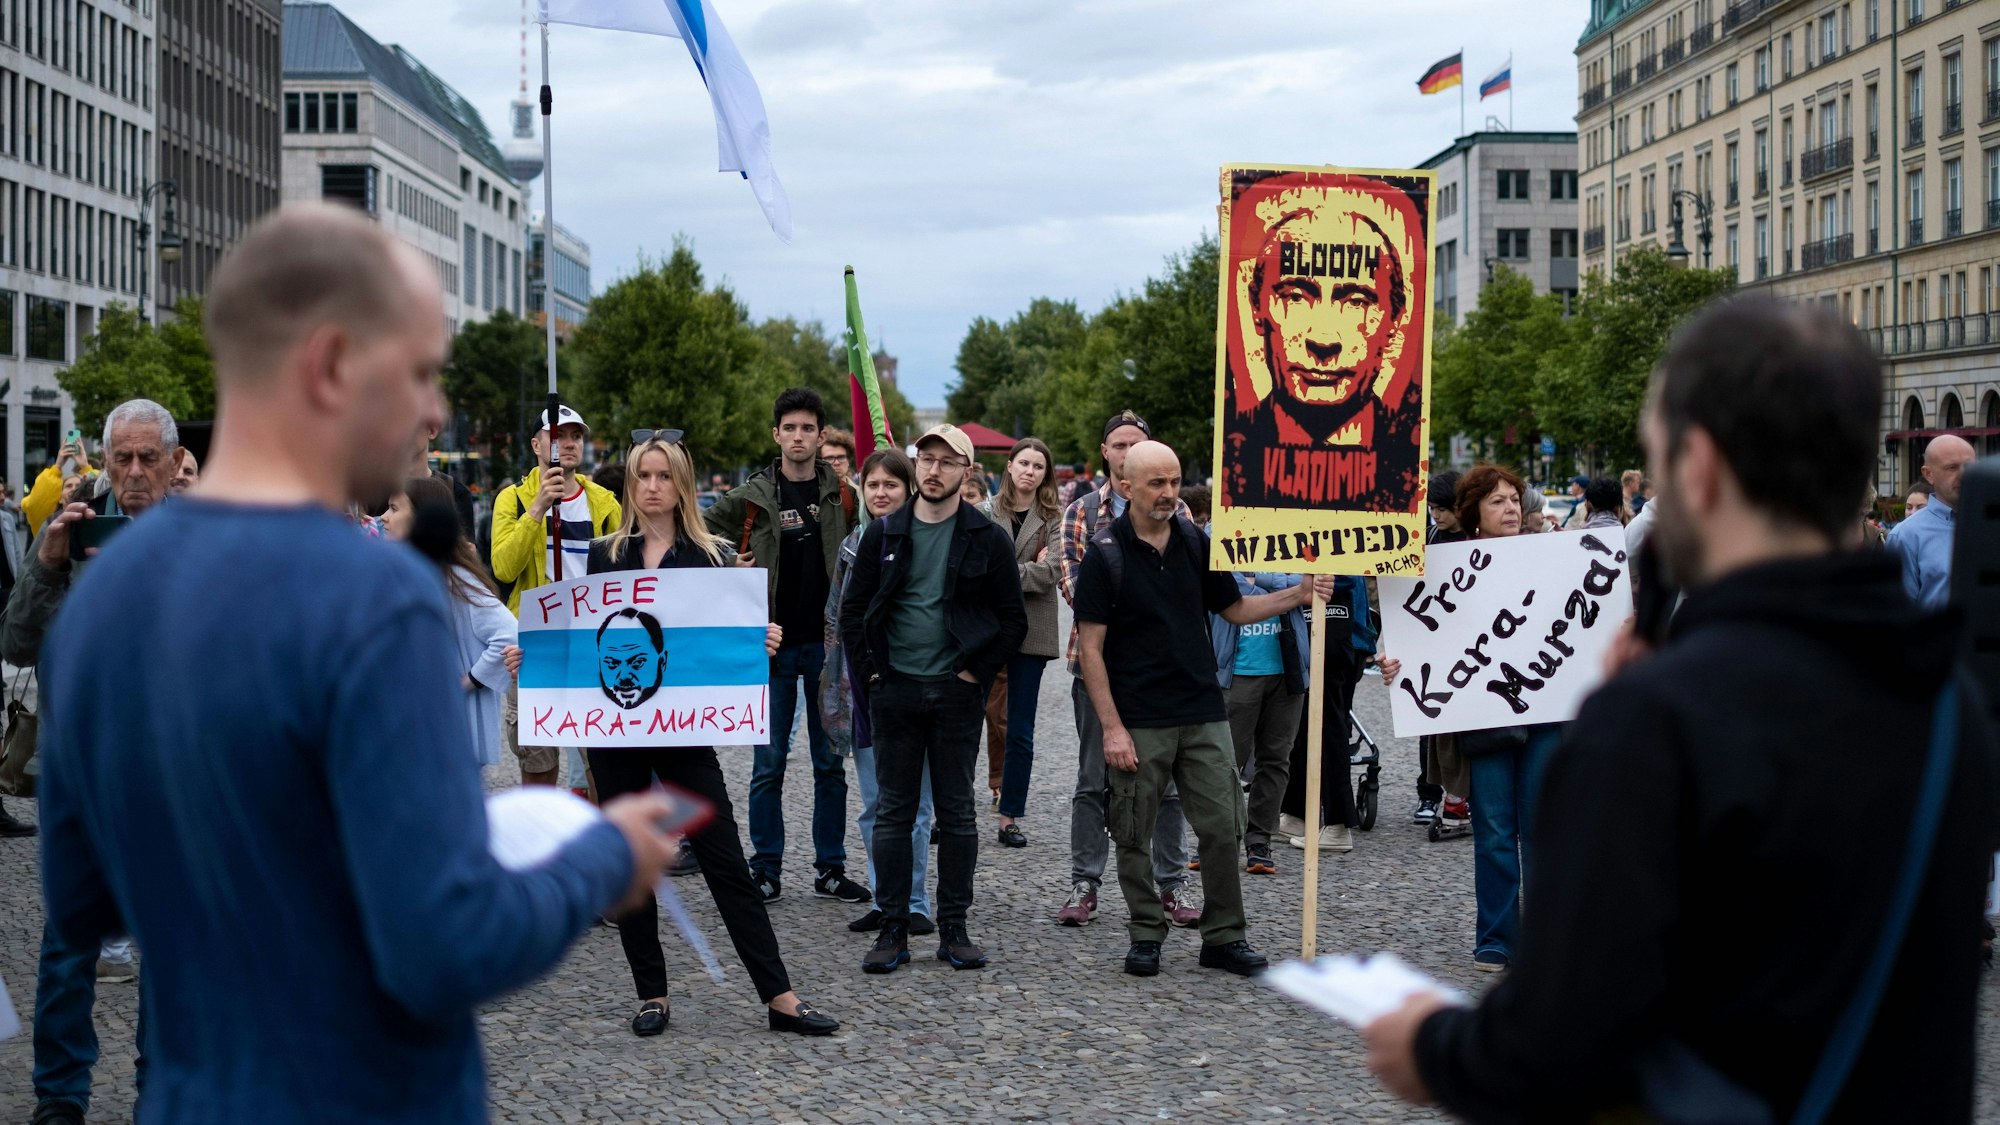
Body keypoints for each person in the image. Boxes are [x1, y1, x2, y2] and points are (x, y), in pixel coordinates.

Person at [34, 203, 682, 1123]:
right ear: (333, 364)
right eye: (418, 371)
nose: (435, 409)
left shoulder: (103, 594)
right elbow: (441, 942)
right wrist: (602, 860)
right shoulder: (374, 599)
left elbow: (82, 899)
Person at [1366, 297, 2000, 1123]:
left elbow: (1556, 1046)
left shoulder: (1659, 725)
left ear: (1698, 469)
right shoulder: (1950, 703)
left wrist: (1429, 1043)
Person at [587, 432, 839, 1038]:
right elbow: (581, 638)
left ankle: (779, 995)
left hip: (684, 732)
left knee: (726, 859)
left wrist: (761, 642)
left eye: (663, 476)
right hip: (615, 731)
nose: (652, 487)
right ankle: (652, 994)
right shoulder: (603, 555)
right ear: (630, 483)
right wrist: (533, 661)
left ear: (682, 484)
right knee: (633, 863)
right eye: (642, 476)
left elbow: (729, 640)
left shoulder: (714, 556)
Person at [1075, 440, 1336, 978]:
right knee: (1133, 830)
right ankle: (1146, 930)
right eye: (1156, 483)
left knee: (1223, 827)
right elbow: (1091, 649)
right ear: (1126, 486)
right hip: (1139, 719)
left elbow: (1236, 607)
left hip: (1201, 711)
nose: (1170, 493)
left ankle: (1223, 936)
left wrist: (1300, 594)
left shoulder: (1197, 543)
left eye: (1174, 481)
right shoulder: (1105, 555)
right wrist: (1112, 729)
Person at [6, 399, 185, 1124]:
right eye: (123, 459)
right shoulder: (71, 531)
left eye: (149, 458)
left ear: (175, 463)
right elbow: (15, 642)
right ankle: (59, 1096)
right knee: (69, 944)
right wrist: (48, 566)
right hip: (84, 771)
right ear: (105, 461)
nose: (135, 473)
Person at [840, 424, 1026, 975]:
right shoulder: (885, 532)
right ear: (916, 465)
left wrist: (976, 672)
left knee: (958, 814)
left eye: (949, 462)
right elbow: (854, 613)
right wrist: (872, 676)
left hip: (955, 692)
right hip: (894, 689)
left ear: (967, 472)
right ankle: (894, 927)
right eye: (927, 459)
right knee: (894, 812)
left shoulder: (987, 537)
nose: (934, 470)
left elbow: (1010, 620)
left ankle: (954, 928)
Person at [702, 387, 863, 905]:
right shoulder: (750, 496)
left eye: (808, 428)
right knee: (767, 763)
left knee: (829, 763)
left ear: (821, 435)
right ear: (777, 435)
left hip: (825, 646)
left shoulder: (844, 494)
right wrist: (727, 560)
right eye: (789, 428)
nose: (798, 436)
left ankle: (830, 868)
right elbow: (695, 531)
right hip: (767, 645)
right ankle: (765, 868)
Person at [1057, 411, 1196, 928]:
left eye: (1137, 444)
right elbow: (1075, 589)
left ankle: (1173, 884)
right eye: (1119, 445)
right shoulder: (1079, 513)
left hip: (1162, 671)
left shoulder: (1178, 512)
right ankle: (1084, 882)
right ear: (1108, 456)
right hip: (1095, 666)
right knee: (1094, 779)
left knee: (1168, 785)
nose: (1126, 452)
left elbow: (1183, 590)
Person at [1217, 172, 1427, 512]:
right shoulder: (1235, 457)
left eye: (1357, 302)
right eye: (1296, 296)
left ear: (1394, 321)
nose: (1323, 339)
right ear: (1257, 308)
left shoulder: (1405, 467)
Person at [828, 449, 938, 937]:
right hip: (865, 693)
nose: (881, 493)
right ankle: (883, 895)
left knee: (918, 806)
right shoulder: (851, 547)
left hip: (921, 687)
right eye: (873, 484)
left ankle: (914, 900)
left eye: (891, 484)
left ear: (909, 488)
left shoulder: (928, 540)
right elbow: (836, 617)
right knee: (876, 804)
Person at [491, 405, 622, 786]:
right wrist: (537, 509)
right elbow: (503, 568)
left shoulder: (603, 502)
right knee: (538, 767)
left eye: (576, 435)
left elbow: (624, 572)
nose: (569, 443)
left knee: (603, 768)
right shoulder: (513, 499)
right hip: (534, 651)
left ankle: (600, 846)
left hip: (592, 649)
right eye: (558, 435)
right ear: (537, 445)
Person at [384, 476, 517, 770]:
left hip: (450, 731)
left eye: (394, 509)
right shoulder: (413, 572)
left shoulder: (457, 580)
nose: (384, 517)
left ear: (420, 516)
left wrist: (467, 683)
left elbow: (509, 633)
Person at [981, 437, 1062, 848]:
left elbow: (1051, 572)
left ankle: (1009, 815)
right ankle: (950, 809)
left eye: (1038, 466)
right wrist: (1024, 568)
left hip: (1032, 630)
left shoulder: (1054, 515)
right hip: (985, 628)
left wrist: (1003, 573)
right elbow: (975, 568)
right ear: (1009, 467)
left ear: (1045, 474)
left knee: (1020, 730)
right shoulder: (982, 511)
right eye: (1024, 463)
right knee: (962, 721)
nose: (1030, 471)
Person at [1214, 567, 1308, 874]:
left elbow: (1313, 584)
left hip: (1286, 668)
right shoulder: (1220, 532)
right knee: (1225, 763)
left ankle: (1259, 841)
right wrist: (1290, 589)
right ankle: (1217, 840)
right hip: (1237, 671)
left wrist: (1264, 580)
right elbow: (1231, 590)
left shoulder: (1294, 537)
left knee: (1276, 760)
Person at [1280, 573, 1379, 854]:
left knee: (1329, 727)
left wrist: (1288, 580)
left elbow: (1342, 575)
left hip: (1338, 628)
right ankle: (1297, 814)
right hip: (1316, 621)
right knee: (1303, 723)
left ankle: (1338, 824)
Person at [1887, 433, 1973, 611]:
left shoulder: (1990, 524)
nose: (1963, 475)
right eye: (1952, 467)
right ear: (1928, 474)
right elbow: (1899, 615)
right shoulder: (1906, 535)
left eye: (1969, 466)